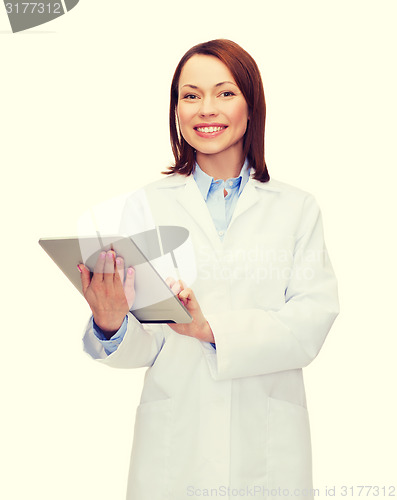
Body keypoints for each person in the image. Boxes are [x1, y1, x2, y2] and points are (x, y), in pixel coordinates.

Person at [79, 39, 339, 500]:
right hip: (176, 444)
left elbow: (309, 324)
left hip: (267, 445)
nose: (206, 109)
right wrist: (111, 321)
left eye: (224, 92)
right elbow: (150, 342)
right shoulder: (147, 205)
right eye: (190, 95)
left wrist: (209, 328)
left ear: (251, 105)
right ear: (176, 111)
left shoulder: (297, 209)